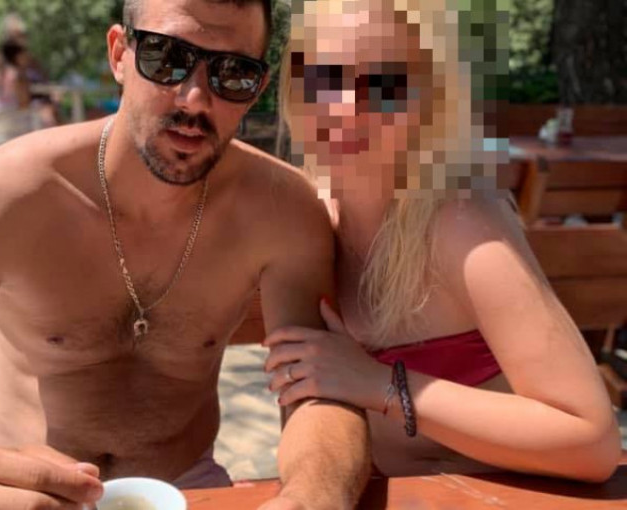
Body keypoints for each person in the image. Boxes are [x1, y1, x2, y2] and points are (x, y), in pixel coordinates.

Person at [0, 1, 370, 509]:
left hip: (189, 489)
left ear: (257, 88)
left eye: (232, 73)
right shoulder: (0, 199)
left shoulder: (281, 210)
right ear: (119, 54)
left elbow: (317, 390)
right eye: (167, 57)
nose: (195, 98)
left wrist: (315, 494)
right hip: (30, 494)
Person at [265, 0, 620, 483]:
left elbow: (592, 441)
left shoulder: (459, 225)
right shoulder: (305, 221)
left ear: (432, 100)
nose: (345, 108)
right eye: (325, 76)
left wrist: (380, 384)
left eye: (385, 85)